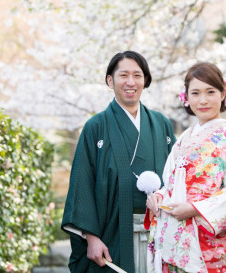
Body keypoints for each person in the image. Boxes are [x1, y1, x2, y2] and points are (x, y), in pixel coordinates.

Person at [61, 50, 176, 272]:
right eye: (123, 75)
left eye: (137, 75)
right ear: (110, 80)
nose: (130, 82)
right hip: (112, 234)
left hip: (160, 232)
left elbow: (178, 177)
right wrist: (91, 238)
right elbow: (82, 184)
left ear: (145, 80)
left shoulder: (162, 124)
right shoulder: (96, 127)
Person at [145, 62, 226, 273]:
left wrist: (195, 209)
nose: (203, 100)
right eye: (196, 93)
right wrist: (160, 197)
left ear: (222, 94)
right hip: (176, 239)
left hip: (207, 245)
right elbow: (171, 184)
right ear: (187, 98)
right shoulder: (182, 140)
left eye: (210, 92)